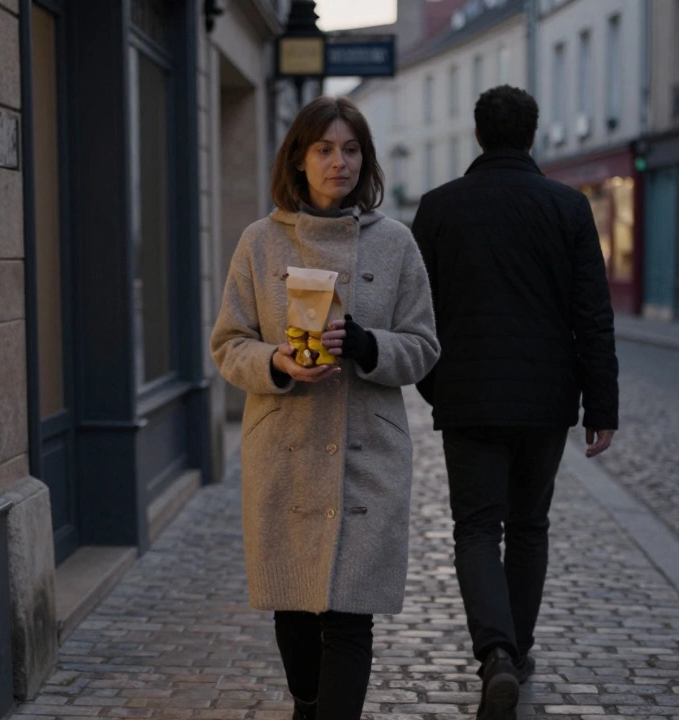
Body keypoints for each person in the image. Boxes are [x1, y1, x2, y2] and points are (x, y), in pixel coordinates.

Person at [210, 96, 440, 720]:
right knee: (295, 618)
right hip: (285, 449)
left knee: (348, 618)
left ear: (364, 160)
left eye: (351, 149)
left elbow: (424, 348)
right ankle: (307, 704)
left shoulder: (396, 243)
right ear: (300, 158)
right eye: (324, 149)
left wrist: (367, 345)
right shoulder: (259, 241)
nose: (339, 162)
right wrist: (276, 364)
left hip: (370, 452)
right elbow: (228, 344)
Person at [412, 85, 619, 720]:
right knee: (529, 526)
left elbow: (416, 311)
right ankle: (518, 648)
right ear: (532, 136)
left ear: (478, 135)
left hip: (467, 400)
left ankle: (495, 654)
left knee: (476, 528)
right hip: (545, 403)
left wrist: (435, 385)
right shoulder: (567, 207)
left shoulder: (439, 208)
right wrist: (600, 406)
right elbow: (593, 315)